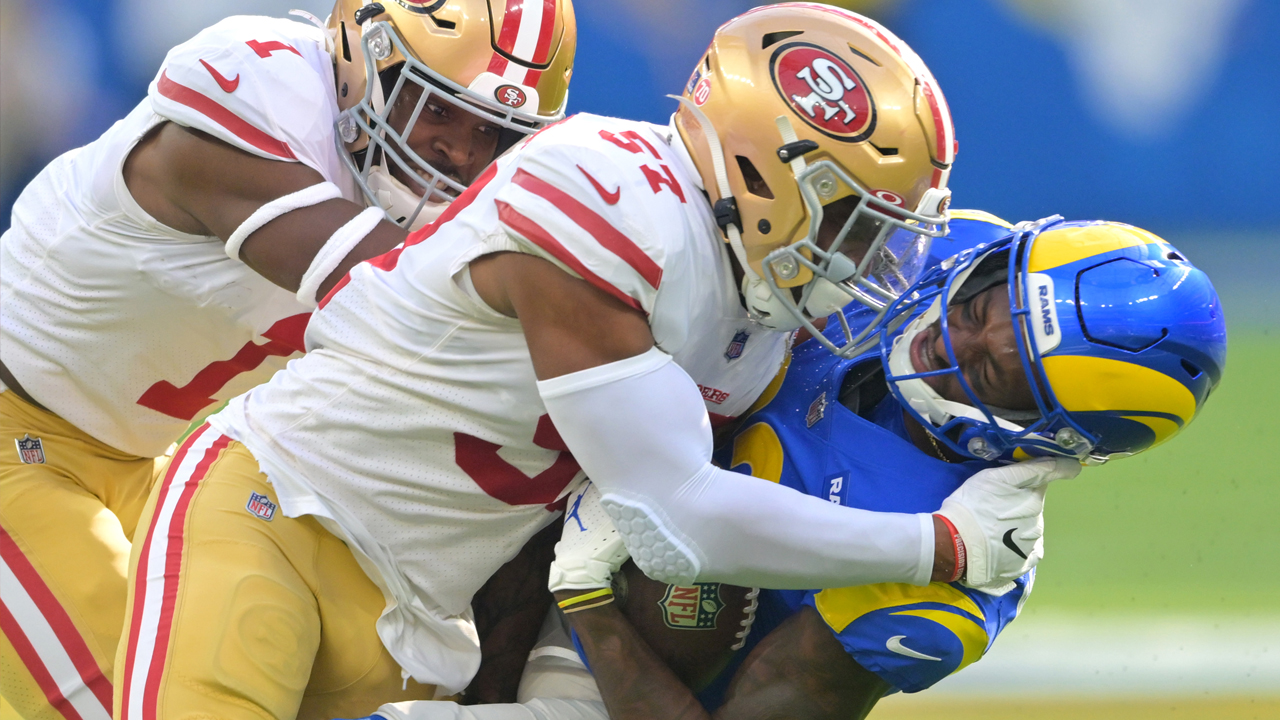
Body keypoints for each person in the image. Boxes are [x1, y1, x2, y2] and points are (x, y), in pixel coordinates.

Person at [116, 5, 1073, 718]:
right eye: (855, 223)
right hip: (280, 519)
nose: (871, 262)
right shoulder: (610, 196)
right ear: (766, 175)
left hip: (423, 620)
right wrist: (940, 549)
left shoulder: (757, 314)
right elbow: (673, 521)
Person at [345, 215, 1227, 720]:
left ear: (1048, 440)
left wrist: (589, 603)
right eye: (990, 299)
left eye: (997, 370)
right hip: (523, 528)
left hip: (614, 679)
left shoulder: (945, 598)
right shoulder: (936, 247)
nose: (955, 334)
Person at [0, 1, 575, 717]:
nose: (459, 150)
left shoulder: (446, 207)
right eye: (435, 108)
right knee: (139, 698)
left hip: (170, 461)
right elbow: (397, 298)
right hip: (19, 438)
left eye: (493, 129)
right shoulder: (261, 86)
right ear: (358, 57)